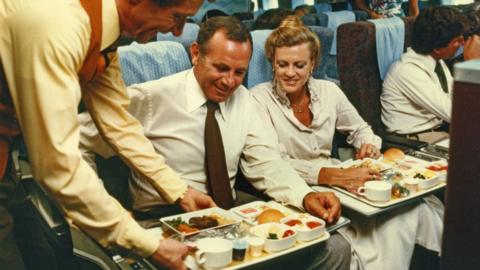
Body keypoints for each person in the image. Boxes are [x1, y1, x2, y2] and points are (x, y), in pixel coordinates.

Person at [80, 16, 351, 270]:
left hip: (230, 214)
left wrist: (304, 195)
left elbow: (266, 162)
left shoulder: (243, 99)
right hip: (163, 218)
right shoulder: (152, 98)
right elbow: (79, 140)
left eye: (239, 72)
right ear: (196, 53)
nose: (229, 82)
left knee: (335, 247)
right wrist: (105, 206)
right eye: (221, 68)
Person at [0, 0, 215, 269]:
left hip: (6, 157)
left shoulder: (101, 31)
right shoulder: (57, 23)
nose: (177, 31)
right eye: (176, 17)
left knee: (41, 257)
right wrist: (147, 243)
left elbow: (118, 121)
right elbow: (57, 166)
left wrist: (178, 190)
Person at [251, 16, 444, 270]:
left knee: (410, 210)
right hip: (295, 188)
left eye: (299, 65)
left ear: (312, 64)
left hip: (340, 178)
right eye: (282, 64)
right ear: (272, 64)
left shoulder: (329, 92)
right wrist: (327, 175)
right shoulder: (257, 99)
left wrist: (368, 145)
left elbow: (361, 128)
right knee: (380, 225)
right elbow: (272, 164)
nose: (290, 73)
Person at [381, 6, 480, 144]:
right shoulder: (408, 71)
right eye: (457, 40)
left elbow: (457, 99)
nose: (462, 44)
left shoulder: (438, 63)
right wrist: (473, 65)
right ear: (438, 48)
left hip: (441, 132)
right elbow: (459, 114)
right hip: (417, 140)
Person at [353, 0, 419, 19]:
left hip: (398, 21)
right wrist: (371, 14)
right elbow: (359, 2)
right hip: (375, 19)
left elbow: (413, 9)